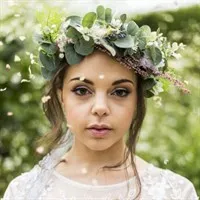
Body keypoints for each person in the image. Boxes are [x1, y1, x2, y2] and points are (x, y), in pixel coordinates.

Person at [3, 5, 198, 200]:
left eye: (120, 92)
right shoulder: (23, 192)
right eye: (81, 90)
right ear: (61, 96)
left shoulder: (176, 193)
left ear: (137, 99)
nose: (100, 108)